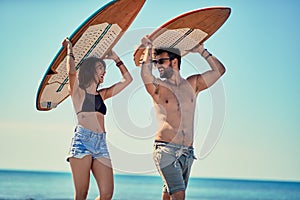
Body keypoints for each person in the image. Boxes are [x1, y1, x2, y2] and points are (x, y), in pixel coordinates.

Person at [140, 36, 226, 200]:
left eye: (161, 62)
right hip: (166, 150)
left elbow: (219, 71)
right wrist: (148, 50)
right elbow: (145, 75)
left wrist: (201, 50)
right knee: (179, 195)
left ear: (174, 62)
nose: (157, 66)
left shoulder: (193, 84)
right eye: (155, 62)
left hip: (187, 153)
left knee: (169, 193)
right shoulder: (159, 87)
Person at [62, 37, 133, 200]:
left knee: (107, 194)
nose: (104, 72)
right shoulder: (78, 93)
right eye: (101, 67)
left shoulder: (103, 94)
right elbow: (71, 73)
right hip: (82, 142)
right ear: (91, 70)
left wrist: (116, 59)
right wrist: (69, 50)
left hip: (101, 144)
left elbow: (127, 80)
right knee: (81, 194)